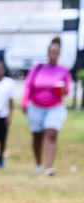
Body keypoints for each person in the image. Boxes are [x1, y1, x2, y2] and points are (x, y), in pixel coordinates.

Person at [22, 37, 72, 175]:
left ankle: (48, 167)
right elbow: (28, 86)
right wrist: (24, 102)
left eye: (56, 51)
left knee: (51, 134)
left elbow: (67, 90)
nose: (53, 53)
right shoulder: (38, 68)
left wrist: (63, 91)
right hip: (36, 107)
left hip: (55, 107)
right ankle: (38, 163)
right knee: (37, 137)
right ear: (48, 52)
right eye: (52, 50)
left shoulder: (63, 71)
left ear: (59, 53)